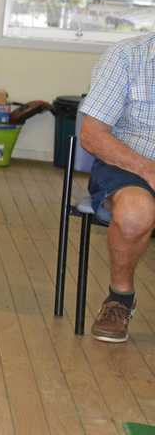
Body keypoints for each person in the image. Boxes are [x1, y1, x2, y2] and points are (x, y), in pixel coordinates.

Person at [78, 33, 155, 343]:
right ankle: (119, 299)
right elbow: (93, 136)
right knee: (136, 211)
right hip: (127, 162)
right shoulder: (125, 56)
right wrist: (148, 170)